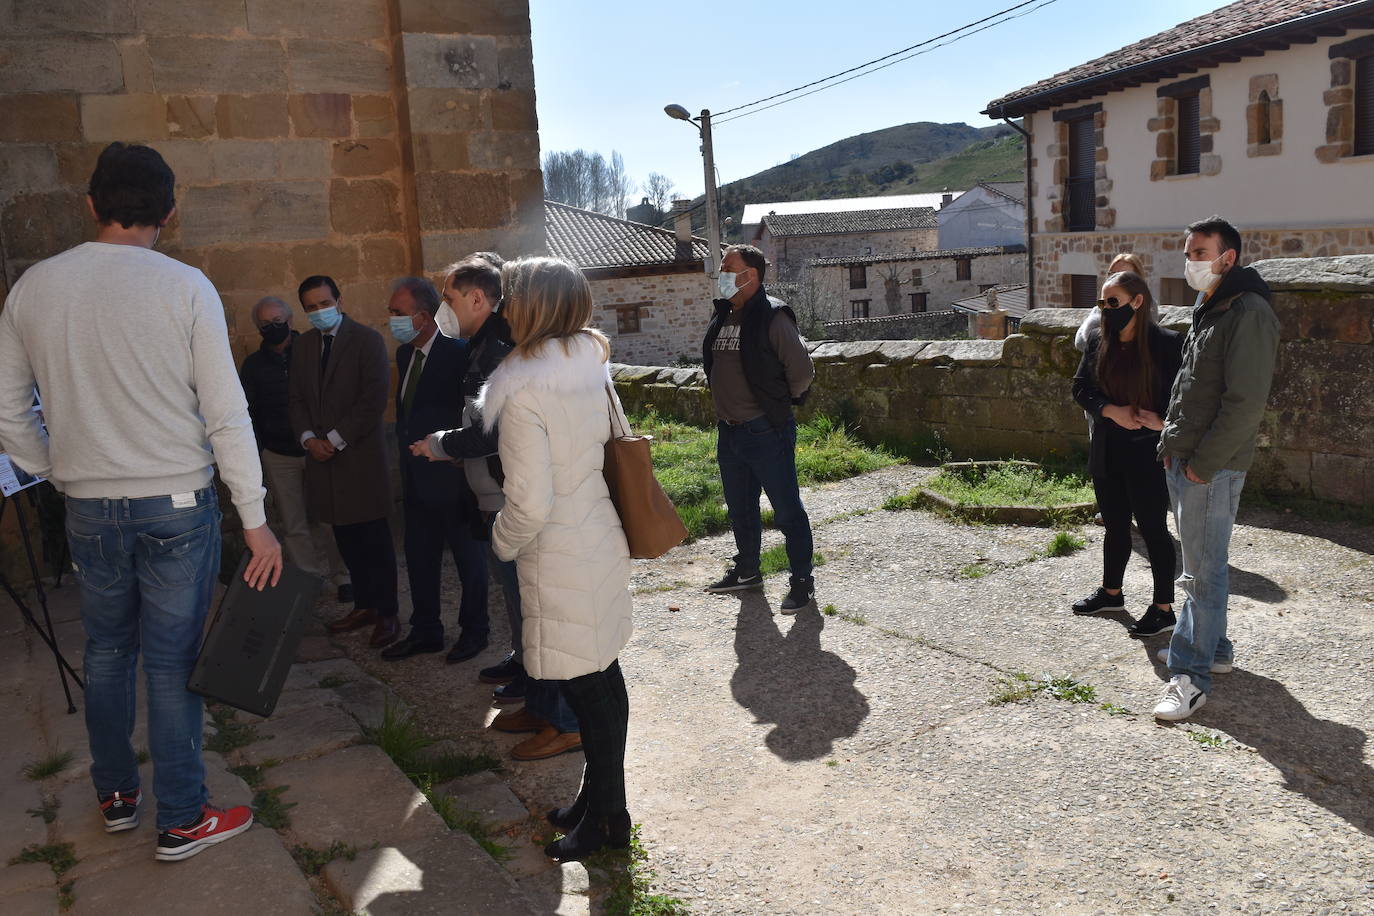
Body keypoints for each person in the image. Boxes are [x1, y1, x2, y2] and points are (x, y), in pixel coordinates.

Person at [0, 142, 281, 861]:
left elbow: (8, 409)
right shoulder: (185, 286)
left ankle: (118, 795)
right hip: (177, 503)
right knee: (170, 661)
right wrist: (255, 520)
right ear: (170, 211)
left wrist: (57, 470)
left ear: (91, 205)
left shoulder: (35, 287)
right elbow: (226, 414)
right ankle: (182, 817)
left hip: (89, 507)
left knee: (105, 652)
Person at [479, 256, 633, 860]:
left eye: (510, 298)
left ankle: (607, 821)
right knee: (603, 679)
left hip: (561, 552)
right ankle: (599, 804)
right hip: (597, 535)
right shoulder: (589, 367)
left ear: (531, 308)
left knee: (590, 692)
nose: (504, 309)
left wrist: (500, 541)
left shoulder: (523, 389)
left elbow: (529, 503)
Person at [412, 254, 582, 759]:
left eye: (448, 298)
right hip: (501, 496)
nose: (443, 309)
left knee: (538, 614)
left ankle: (564, 721)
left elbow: (493, 432)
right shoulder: (488, 346)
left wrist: (441, 444)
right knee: (525, 614)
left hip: (516, 500)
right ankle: (541, 705)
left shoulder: (503, 351)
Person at [1153, 216, 1279, 722]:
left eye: (1200, 253)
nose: (1191, 262)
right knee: (1206, 565)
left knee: (1200, 573)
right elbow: (1191, 384)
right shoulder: (1213, 303)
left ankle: (1190, 676)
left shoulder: (1248, 312)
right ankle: (1216, 648)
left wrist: (1202, 466)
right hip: (1187, 458)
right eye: (1189, 253)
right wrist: (1172, 445)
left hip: (1210, 466)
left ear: (1228, 257)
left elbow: (1245, 403)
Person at [702, 244, 817, 612]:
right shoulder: (723, 314)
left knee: (787, 511)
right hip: (730, 433)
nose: (721, 275)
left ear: (750, 275)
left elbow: (802, 372)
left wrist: (775, 408)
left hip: (765, 431)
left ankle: (802, 581)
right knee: (740, 509)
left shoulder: (773, 316)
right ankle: (748, 570)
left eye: (727, 269)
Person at [288, 275, 400, 649]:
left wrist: (333, 440)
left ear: (338, 300)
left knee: (374, 542)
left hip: (359, 460)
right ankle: (364, 605)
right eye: (311, 307)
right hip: (323, 462)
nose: (319, 311)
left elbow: (372, 401)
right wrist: (309, 439)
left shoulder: (367, 341)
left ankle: (387, 613)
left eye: (324, 303)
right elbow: (296, 399)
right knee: (346, 540)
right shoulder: (304, 345)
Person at [381, 276, 489, 662]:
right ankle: (426, 630)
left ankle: (475, 631)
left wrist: (457, 455)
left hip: (454, 479)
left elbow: (474, 415)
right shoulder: (404, 355)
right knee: (419, 556)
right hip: (416, 479)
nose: (391, 319)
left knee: (469, 560)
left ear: (423, 317)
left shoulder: (459, 353)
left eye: (398, 313)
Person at [1070, 272, 1182, 637]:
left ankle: (1163, 609)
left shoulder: (1167, 343)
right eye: (1102, 302)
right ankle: (1111, 593)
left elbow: (1185, 398)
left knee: (1153, 529)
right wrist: (1110, 410)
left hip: (1148, 450)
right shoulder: (1098, 340)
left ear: (1137, 301)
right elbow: (1081, 388)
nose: (1105, 309)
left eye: (1113, 301)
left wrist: (1162, 421)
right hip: (1108, 447)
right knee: (1115, 525)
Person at [240, 296, 351, 600]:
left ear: (290, 321)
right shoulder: (253, 365)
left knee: (331, 517)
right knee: (293, 523)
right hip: (278, 453)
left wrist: (330, 440)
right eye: (265, 323)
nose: (272, 327)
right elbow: (248, 411)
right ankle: (308, 579)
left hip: (318, 449)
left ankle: (343, 576)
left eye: (278, 321)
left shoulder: (314, 352)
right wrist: (260, 450)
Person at [1073, 253, 1154, 353]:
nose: (1117, 279)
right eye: (1113, 274)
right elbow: (1080, 342)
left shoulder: (1148, 306)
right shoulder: (1100, 307)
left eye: (1124, 275)